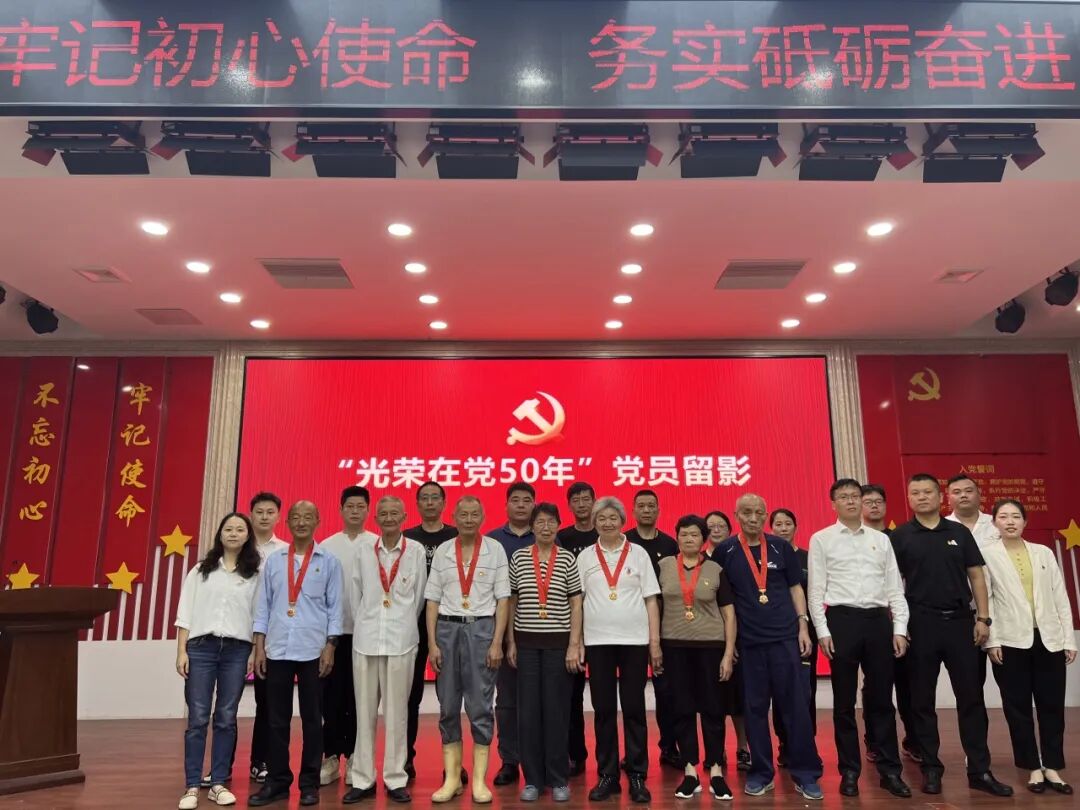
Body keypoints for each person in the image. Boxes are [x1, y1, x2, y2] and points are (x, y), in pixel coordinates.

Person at [890, 474, 1012, 797]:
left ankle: (980, 770)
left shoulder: (958, 532)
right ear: (909, 498)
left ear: (939, 496)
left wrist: (983, 618)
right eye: (915, 493)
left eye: (927, 492)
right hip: (920, 624)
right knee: (922, 701)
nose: (922, 497)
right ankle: (931, 768)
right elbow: (891, 583)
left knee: (971, 699)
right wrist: (899, 626)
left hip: (961, 623)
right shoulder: (900, 536)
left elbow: (977, 576)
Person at [711, 494, 823, 800]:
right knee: (754, 710)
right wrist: (729, 643)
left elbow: (795, 587)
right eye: (747, 512)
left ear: (765, 516)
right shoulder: (725, 551)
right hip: (748, 643)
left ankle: (806, 773)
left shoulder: (780, 547)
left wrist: (803, 626)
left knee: (795, 708)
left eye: (759, 512)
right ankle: (761, 773)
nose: (753, 518)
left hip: (785, 638)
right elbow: (723, 601)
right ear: (737, 515)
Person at [806, 479, 911, 798]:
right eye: (844, 497)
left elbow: (894, 587)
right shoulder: (822, 539)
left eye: (855, 496)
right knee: (843, 703)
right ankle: (849, 771)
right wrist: (823, 631)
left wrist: (899, 628)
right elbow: (816, 590)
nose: (851, 501)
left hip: (878, 622)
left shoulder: (880, 539)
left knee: (881, 701)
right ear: (833, 503)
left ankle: (890, 771)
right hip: (842, 621)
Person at [250, 501, 343, 807]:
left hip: (313, 650)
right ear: (288, 522)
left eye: (308, 517)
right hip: (277, 648)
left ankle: (309, 783)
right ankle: (277, 781)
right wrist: (259, 646)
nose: (302, 522)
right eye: (296, 517)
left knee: (313, 720)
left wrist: (330, 647)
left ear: (318, 521)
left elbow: (335, 609)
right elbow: (263, 606)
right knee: (276, 719)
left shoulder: (329, 561)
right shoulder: (275, 561)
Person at [984, 499, 1077, 795]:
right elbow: (986, 601)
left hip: (1048, 639)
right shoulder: (987, 555)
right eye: (1003, 517)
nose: (1010, 521)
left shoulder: (1043, 552)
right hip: (1010, 641)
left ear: (1025, 522)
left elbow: (1060, 596)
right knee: (1018, 707)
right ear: (995, 522)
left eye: (1016, 516)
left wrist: (1068, 639)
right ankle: (1032, 768)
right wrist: (992, 640)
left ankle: (1052, 766)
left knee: (1052, 706)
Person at [425, 496, 510, 805]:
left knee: (480, 707)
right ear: (455, 517)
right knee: (448, 706)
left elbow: (503, 600)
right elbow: (432, 600)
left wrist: (497, 641)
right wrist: (432, 642)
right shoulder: (444, 550)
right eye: (464, 515)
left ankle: (479, 781)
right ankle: (452, 779)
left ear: (483, 517)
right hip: (447, 630)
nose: (469, 519)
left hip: (481, 630)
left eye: (475, 514)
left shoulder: (495, 549)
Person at [577, 496, 662, 804]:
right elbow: (578, 603)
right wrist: (578, 641)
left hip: (634, 642)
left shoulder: (638, 553)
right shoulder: (585, 557)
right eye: (602, 518)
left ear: (623, 521)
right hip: (597, 642)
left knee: (634, 709)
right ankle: (608, 775)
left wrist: (654, 643)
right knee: (603, 711)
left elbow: (651, 599)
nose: (607, 523)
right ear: (594, 523)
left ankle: (637, 775)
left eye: (613, 518)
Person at [344, 496, 427, 805]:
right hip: (366, 640)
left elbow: (418, 599)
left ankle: (395, 778)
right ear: (376, 518)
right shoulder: (363, 551)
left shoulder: (415, 551)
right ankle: (362, 778)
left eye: (395, 513)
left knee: (397, 713)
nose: (389, 517)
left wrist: (401, 624)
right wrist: (366, 623)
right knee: (363, 713)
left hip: (401, 641)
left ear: (404, 516)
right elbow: (355, 596)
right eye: (384, 513)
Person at [175, 513, 261, 810]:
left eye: (240, 529)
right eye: (228, 529)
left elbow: (257, 616)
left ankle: (218, 783)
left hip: (237, 650)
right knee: (198, 717)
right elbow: (185, 612)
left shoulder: (254, 574)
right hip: (201, 648)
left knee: (226, 717)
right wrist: (181, 651)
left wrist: (254, 651)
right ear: (220, 534)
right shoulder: (201, 570)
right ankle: (191, 786)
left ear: (248, 536)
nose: (234, 533)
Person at [506, 502, 584, 802]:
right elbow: (512, 602)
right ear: (532, 527)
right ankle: (532, 780)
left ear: (558, 525)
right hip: (526, 645)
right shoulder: (518, 558)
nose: (546, 527)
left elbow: (575, 603)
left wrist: (574, 644)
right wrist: (511, 642)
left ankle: (558, 778)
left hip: (558, 646)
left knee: (556, 712)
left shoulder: (566, 559)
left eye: (551, 522)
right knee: (528, 714)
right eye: (540, 522)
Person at [658, 514, 737, 801]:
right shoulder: (663, 567)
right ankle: (690, 770)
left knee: (713, 708)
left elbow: (729, 613)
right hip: (674, 646)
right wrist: (655, 646)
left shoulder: (716, 569)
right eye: (683, 534)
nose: (688, 539)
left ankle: (715, 770)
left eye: (694, 534)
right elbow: (655, 607)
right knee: (682, 708)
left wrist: (728, 653)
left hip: (710, 647)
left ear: (703, 539)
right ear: (676, 537)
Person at [318, 486, 379, 787]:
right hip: (333, 635)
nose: (355, 511)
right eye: (350, 506)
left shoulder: (376, 544)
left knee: (360, 700)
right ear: (341, 510)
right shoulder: (327, 546)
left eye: (360, 506)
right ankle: (330, 757)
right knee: (330, 698)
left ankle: (356, 757)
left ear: (368, 511)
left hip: (366, 635)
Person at [403, 481, 459, 781]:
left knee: (450, 697)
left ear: (444, 502)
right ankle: (405, 760)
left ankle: (454, 763)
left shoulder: (456, 536)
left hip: (449, 623)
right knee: (409, 696)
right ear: (417, 504)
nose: (429, 502)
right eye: (424, 498)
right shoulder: (407, 537)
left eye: (435, 497)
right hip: (412, 624)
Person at [860, 484, 920, 764]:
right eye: (868, 501)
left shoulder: (900, 538)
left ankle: (913, 740)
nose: (874, 506)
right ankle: (875, 740)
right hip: (872, 621)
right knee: (874, 686)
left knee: (909, 683)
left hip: (903, 620)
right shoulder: (856, 540)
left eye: (878, 501)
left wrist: (902, 621)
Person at [485, 482, 536, 787]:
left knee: (538, 698)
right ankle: (509, 760)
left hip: (539, 630)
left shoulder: (545, 536)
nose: (520, 505)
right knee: (506, 700)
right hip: (501, 630)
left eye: (526, 500)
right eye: (515, 500)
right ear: (506, 505)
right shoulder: (491, 540)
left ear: (534, 505)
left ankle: (537, 758)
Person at [625, 488, 680, 768]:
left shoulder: (670, 544)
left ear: (658, 510)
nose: (646, 510)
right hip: (630, 623)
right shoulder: (624, 542)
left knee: (666, 690)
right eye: (641, 506)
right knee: (631, 693)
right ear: (633, 510)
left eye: (651, 506)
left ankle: (669, 746)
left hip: (665, 623)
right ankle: (633, 753)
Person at [768, 508, 817, 767]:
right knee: (780, 689)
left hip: (806, 630)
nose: (783, 528)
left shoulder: (809, 557)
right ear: (771, 528)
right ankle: (785, 743)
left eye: (788, 523)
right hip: (777, 630)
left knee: (806, 690)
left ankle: (807, 743)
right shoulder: (766, 557)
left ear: (796, 527)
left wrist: (806, 625)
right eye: (778, 524)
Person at [556, 481, 598, 777]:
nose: (582, 504)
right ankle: (575, 754)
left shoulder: (605, 534)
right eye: (576, 500)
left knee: (606, 697)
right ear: (569, 505)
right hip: (572, 625)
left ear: (594, 502)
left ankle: (611, 758)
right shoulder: (562, 538)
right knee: (572, 696)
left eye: (586, 499)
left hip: (603, 623)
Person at [247, 492, 288, 784]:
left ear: (278, 516)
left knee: (267, 702)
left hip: (268, 637)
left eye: (270, 512)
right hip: (236, 633)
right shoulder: (238, 546)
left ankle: (260, 760)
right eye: (259, 511)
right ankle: (220, 766)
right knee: (225, 707)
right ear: (251, 514)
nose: (264, 516)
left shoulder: (284, 551)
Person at [706, 509, 750, 772]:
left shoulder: (738, 556)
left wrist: (731, 643)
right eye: (710, 526)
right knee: (713, 699)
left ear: (729, 528)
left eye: (720, 525)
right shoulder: (697, 560)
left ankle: (743, 748)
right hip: (708, 638)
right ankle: (716, 749)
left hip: (739, 635)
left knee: (738, 698)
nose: (715, 529)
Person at [946, 475, 1000, 548]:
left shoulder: (997, 523)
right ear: (948, 499)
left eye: (968, 491)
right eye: (957, 492)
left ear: (979, 495)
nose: (963, 495)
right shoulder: (941, 527)